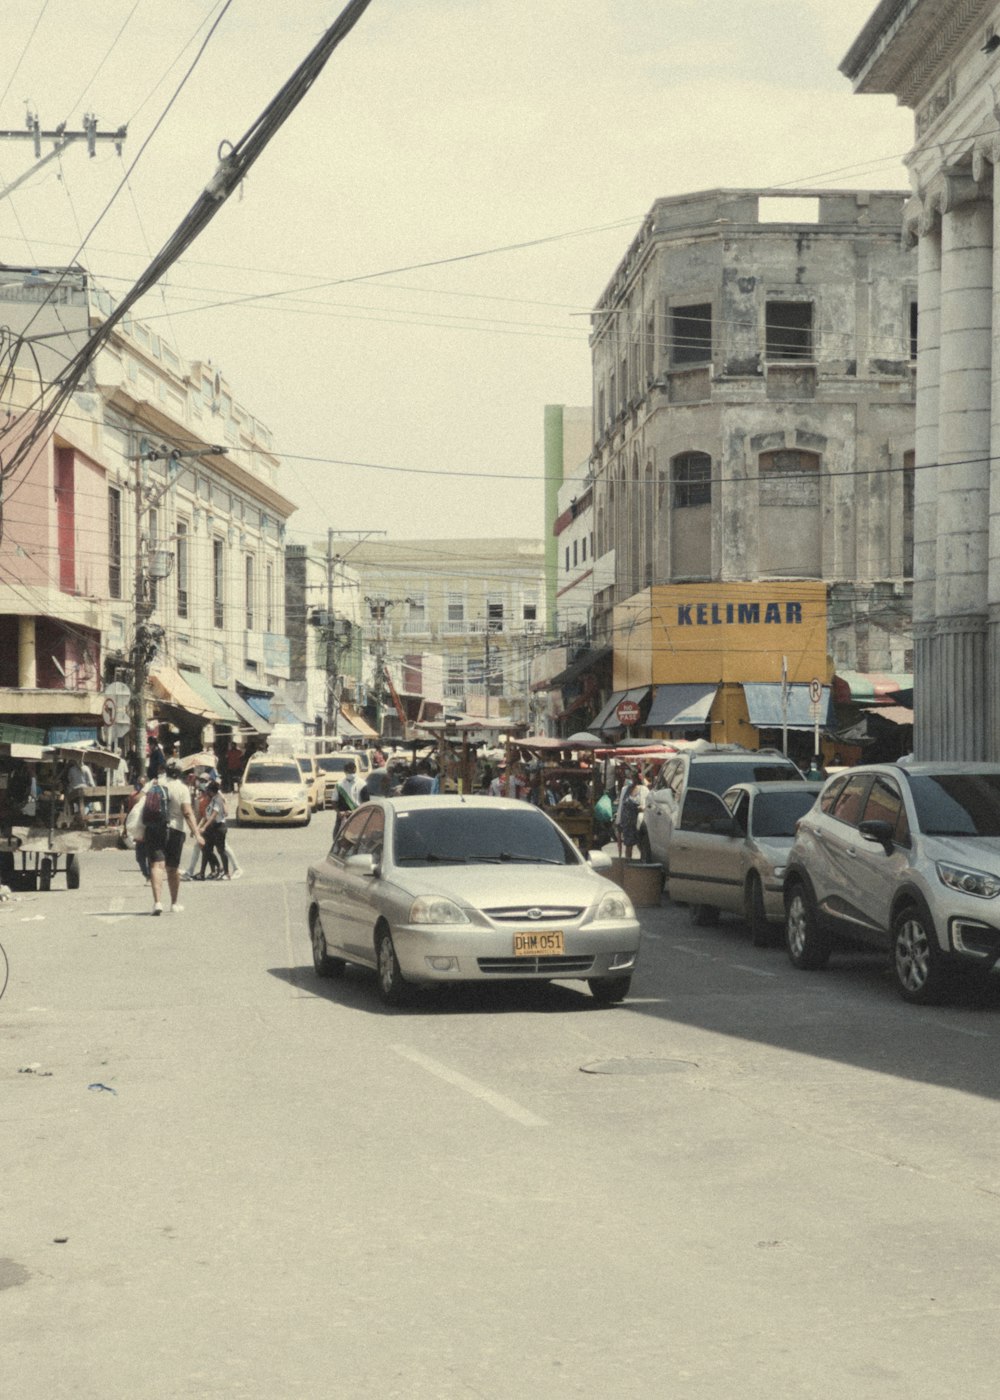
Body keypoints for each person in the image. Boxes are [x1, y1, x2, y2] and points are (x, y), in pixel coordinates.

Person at [147, 757, 202, 915]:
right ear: (180, 772)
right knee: (172, 869)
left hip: (155, 829)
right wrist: (197, 833)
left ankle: (157, 902)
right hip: (176, 831)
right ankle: (174, 903)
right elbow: (187, 812)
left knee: (156, 866)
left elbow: (142, 803)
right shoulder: (182, 789)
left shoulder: (156, 784)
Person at [197, 781, 230, 880]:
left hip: (219, 827)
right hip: (211, 828)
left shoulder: (218, 800)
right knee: (206, 850)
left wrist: (204, 827)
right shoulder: (212, 799)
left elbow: (213, 815)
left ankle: (226, 873)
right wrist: (199, 827)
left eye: (208, 790)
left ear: (211, 791)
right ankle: (202, 873)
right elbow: (206, 816)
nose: (206, 792)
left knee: (221, 850)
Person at [619, 768, 649, 861]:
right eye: (632, 777)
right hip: (627, 823)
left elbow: (649, 805)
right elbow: (621, 806)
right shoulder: (625, 789)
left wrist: (643, 808)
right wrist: (618, 822)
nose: (633, 780)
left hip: (639, 823)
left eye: (635, 777)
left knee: (641, 845)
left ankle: (643, 862)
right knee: (628, 845)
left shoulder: (644, 790)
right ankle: (628, 862)